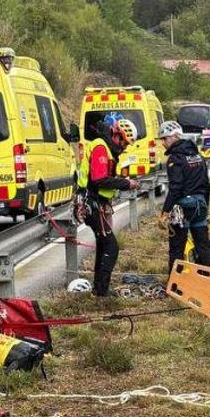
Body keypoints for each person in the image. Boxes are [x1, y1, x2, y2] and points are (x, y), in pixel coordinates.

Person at [79, 118, 138, 297]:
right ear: (116, 135)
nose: (125, 147)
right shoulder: (101, 148)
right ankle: (102, 291)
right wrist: (125, 183)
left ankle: (99, 289)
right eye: (124, 143)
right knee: (111, 247)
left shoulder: (107, 149)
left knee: (104, 245)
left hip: (99, 203)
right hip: (92, 202)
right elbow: (99, 179)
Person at [157, 121, 210, 273]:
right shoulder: (198, 156)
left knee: (176, 249)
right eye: (161, 139)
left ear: (176, 136)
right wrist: (206, 209)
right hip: (200, 206)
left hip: (183, 209)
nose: (163, 143)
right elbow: (207, 185)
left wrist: (165, 212)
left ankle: (175, 286)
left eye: (165, 138)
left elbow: (175, 188)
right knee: (203, 248)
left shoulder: (175, 159)